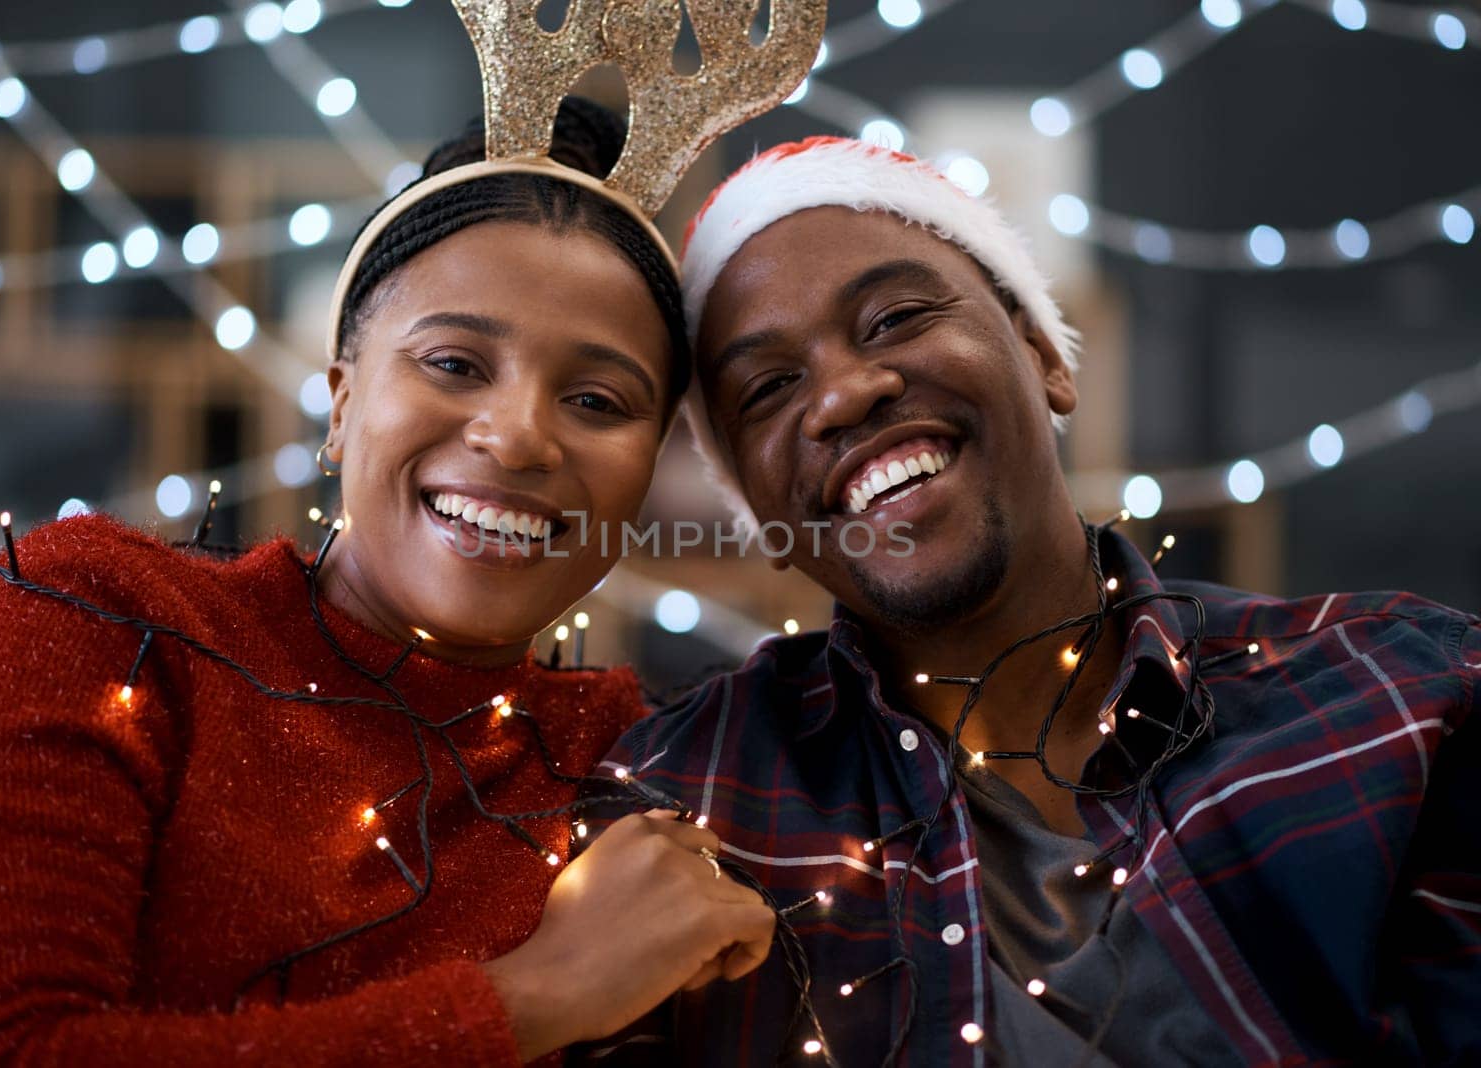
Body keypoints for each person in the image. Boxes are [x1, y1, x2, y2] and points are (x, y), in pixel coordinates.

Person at [0, 100, 778, 1067]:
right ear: (343, 403)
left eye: (598, 400)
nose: (519, 436)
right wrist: (532, 999)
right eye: (454, 363)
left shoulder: (631, 763)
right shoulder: (99, 620)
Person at [585, 137, 1480, 1066]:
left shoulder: (1403, 696)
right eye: (768, 387)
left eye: (893, 318)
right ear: (761, 518)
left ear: (1044, 355)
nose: (846, 394)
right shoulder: (679, 806)